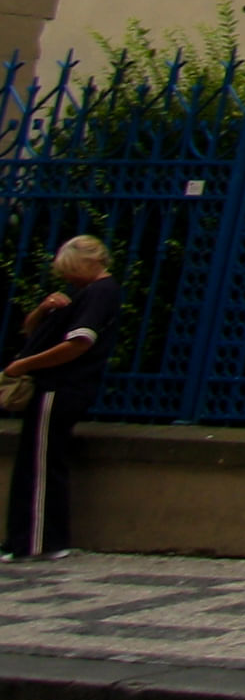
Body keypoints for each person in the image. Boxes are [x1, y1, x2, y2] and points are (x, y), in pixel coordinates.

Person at [5, 236, 117, 559]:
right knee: (36, 461)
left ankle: (37, 541)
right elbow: (32, 332)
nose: (68, 278)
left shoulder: (100, 293)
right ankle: (31, 538)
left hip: (60, 386)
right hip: (56, 385)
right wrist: (43, 310)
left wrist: (23, 366)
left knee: (40, 465)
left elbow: (79, 343)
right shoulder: (81, 294)